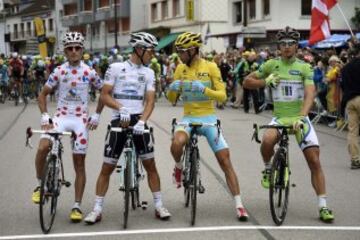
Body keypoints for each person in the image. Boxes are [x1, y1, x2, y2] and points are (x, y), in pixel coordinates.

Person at [243, 26, 335, 223]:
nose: (286, 47)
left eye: (290, 44)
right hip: (280, 117)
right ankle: (268, 168)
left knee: (314, 160)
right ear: (278, 46)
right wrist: (264, 82)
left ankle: (323, 206)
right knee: (267, 140)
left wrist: (302, 117)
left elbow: (310, 93)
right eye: (283, 44)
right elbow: (246, 82)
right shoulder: (270, 65)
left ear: (296, 47)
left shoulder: (304, 67)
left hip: (299, 118)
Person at [84, 32, 171, 224]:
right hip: (119, 119)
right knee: (107, 166)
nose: (153, 54)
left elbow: (150, 102)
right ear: (139, 49)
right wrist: (119, 107)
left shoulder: (149, 72)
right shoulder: (116, 68)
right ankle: (97, 209)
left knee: (150, 165)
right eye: (150, 51)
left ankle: (158, 205)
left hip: (139, 119)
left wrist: (143, 120)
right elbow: (105, 95)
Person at [167, 32, 249, 221]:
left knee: (224, 159)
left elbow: (222, 96)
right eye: (178, 51)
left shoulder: (210, 66)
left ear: (193, 50)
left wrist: (204, 90)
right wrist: (172, 89)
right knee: (177, 143)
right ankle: (179, 167)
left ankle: (239, 205)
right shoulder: (180, 69)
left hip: (208, 118)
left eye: (182, 51)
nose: (179, 55)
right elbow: (172, 100)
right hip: (188, 118)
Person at [31, 32, 104, 222]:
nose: (73, 51)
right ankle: (41, 185)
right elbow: (42, 95)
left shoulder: (89, 71)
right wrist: (45, 115)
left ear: (82, 50)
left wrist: (96, 114)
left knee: (79, 163)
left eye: (77, 48)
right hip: (61, 117)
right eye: (70, 48)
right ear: (65, 51)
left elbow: (104, 92)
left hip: (80, 120)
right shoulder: (58, 71)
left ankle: (77, 206)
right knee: (42, 147)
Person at [340, 43, 360, 169]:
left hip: (350, 100)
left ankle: (355, 159)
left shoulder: (345, 68)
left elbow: (342, 86)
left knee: (352, 132)